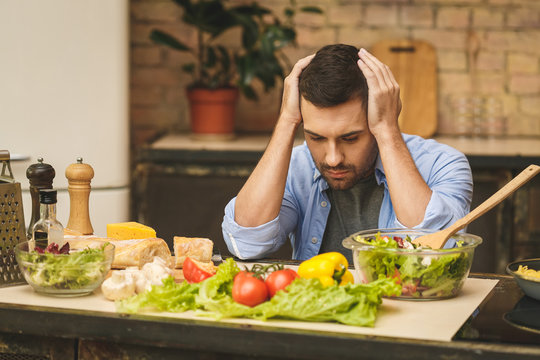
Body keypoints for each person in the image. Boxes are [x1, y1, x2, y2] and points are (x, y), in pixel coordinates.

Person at [221, 44, 472, 263]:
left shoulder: (443, 163)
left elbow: (435, 252)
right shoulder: (296, 166)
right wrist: (287, 121)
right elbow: (245, 243)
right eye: (316, 137)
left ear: (376, 117)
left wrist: (387, 130)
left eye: (350, 138)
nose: (332, 159)